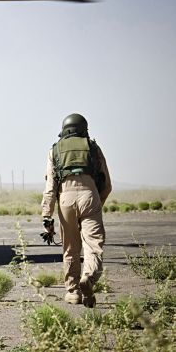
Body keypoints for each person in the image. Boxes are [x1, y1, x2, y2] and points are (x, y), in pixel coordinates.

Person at [41, 113, 112, 307]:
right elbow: (106, 184)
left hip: (65, 199)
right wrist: (96, 205)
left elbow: (50, 188)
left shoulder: (54, 150)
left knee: (70, 249)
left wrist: (47, 216)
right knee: (93, 246)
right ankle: (88, 277)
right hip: (90, 196)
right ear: (84, 129)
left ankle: (72, 292)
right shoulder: (93, 147)